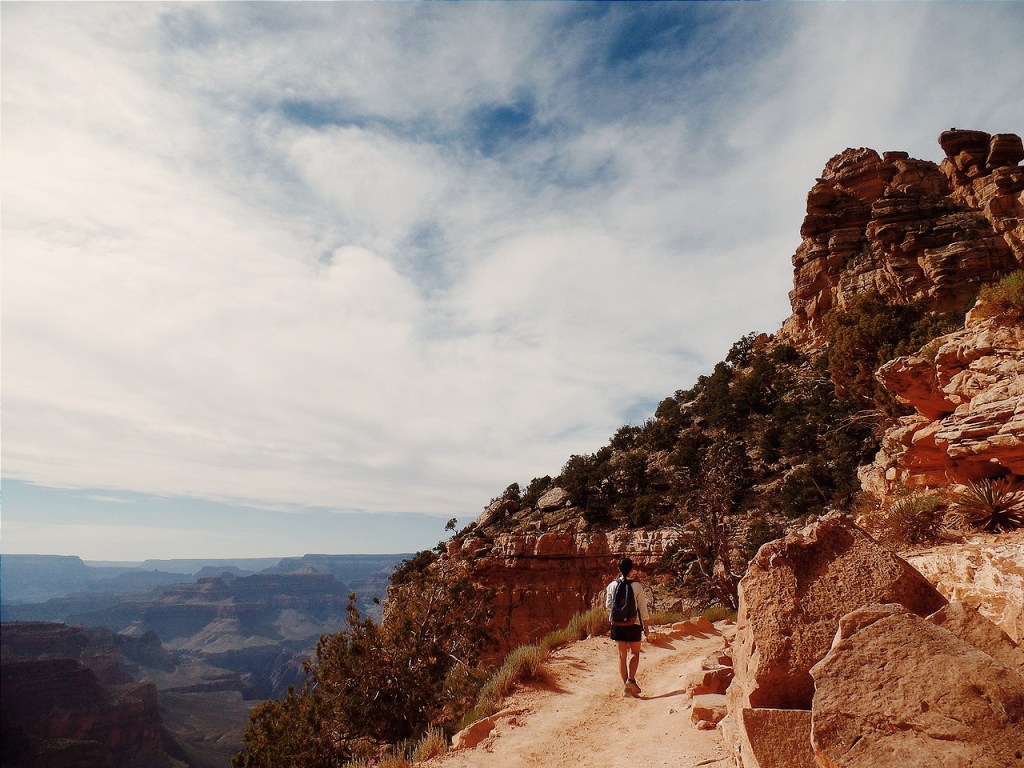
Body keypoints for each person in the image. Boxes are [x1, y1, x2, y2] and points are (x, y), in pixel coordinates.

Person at [605, 556, 650, 696]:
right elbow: (642, 608)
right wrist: (647, 626)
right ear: (631, 570)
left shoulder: (612, 586)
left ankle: (626, 687)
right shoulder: (636, 586)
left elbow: (608, 605)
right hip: (633, 624)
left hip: (617, 625)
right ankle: (631, 680)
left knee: (621, 656)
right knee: (635, 653)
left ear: (619, 569)